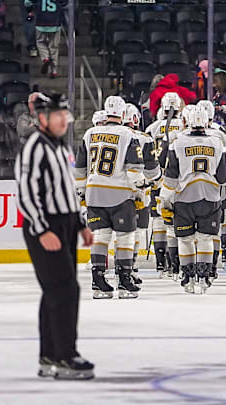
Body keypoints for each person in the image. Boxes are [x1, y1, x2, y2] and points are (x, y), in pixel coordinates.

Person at [14, 92, 95, 380]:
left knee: (55, 290)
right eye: (58, 115)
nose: (64, 120)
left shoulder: (60, 146)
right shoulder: (35, 146)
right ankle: (65, 355)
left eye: (65, 115)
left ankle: (49, 354)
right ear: (44, 118)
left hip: (65, 224)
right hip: (45, 225)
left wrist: (81, 223)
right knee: (65, 289)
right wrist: (41, 227)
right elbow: (25, 191)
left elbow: (68, 189)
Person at [75, 95, 145, 299]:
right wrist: (141, 189)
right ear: (123, 114)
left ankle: (98, 281)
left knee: (100, 236)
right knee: (125, 237)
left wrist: (81, 190)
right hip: (120, 193)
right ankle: (124, 280)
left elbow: (80, 167)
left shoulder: (90, 133)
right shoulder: (127, 134)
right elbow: (134, 171)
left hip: (94, 192)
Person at [161, 106, 226, 293]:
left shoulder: (177, 142)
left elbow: (171, 177)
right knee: (206, 238)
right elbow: (224, 177)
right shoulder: (218, 142)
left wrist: (164, 200)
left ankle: (188, 276)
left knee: (185, 240)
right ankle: (204, 275)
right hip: (210, 197)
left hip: (184, 198)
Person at [144, 92, 185, 279]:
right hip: (177, 180)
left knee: (159, 221)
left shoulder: (152, 128)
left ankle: (161, 264)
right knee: (174, 221)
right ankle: (175, 263)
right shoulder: (185, 125)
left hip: (158, 179)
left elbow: (146, 154)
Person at [123, 103, 161, 285]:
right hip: (139, 189)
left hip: (116, 189)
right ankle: (130, 267)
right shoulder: (145, 138)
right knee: (137, 230)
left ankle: (116, 267)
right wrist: (156, 181)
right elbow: (153, 170)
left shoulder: (110, 135)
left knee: (118, 232)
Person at [197, 100, 226, 276]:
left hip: (200, 183)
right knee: (225, 218)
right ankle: (222, 255)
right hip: (221, 180)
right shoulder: (220, 132)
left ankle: (209, 260)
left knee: (213, 221)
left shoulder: (189, 134)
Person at [34, 0, 64, 78]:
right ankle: (54, 70)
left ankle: (45, 58)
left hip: (41, 22)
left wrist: (30, 10)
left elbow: (27, 2)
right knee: (54, 46)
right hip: (55, 22)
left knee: (40, 42)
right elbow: (66, 4)